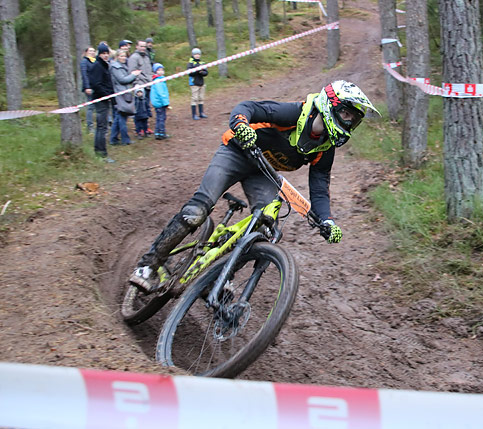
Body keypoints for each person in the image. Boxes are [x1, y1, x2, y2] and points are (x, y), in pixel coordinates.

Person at [130, 80, 379, 290]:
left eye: (353, 119)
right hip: (236, 153)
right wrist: (240, 124)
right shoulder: (293, 114)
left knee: (265, 227)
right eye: (346, 113)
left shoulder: (325, 148)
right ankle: (148, 265)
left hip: (263, 171)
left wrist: (326, 220)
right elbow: (247, 107)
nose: (348, 122)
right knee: (196, 213)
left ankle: (219, 275)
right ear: (330, 105)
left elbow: (320, 185)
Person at [88, 43, 115, 162]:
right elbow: (96, 84)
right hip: (100, 99)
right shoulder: (98, 66)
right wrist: (106, 95)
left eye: (107, 53)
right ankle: (101, 153)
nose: (105, 56)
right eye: (103, 53)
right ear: (99, 54)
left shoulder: (104, 65)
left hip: (104, 98)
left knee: (102, 127)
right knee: (102, 127)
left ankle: (100, 151)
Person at [109, 49, 138, 145]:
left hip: (125, 93)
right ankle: (125, 139)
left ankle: (113, 139)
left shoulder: (123, 66)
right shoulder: (115, 67)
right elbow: (122, 80)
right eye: (121, 56)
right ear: (117, 57)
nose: (123, 58)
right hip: (119, 94)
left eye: (125, 56)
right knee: (121, 116)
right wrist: (133, 75)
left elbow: (127, 80)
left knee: (119, 117)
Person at [128, 40, 153, 134]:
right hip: (139, 85)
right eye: (141, 46)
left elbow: (149, 70)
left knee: (146, 107)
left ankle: (146, 127)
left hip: (148, 85)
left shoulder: (146, 57)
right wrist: (138, 84)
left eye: (144, 46)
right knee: (139, 108)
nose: (143, 48)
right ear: (137, 47)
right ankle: (139, 129)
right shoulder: (133, 58)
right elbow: (133, 72)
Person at [149, 63, 170, 140]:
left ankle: (157, 132)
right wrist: (166, 103)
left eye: (162, 70)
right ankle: (161, 133)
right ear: (155, 71)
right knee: (161, 118)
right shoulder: (158, 81)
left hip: (158, 102)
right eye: (159, 70)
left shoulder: (160, 80)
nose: (161, 71)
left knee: (159, 118)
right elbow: (161, 93)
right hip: (160, 103)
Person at [188, 47, 208, 120]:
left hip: (201, 83)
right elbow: (190, 73)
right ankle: (194, 114)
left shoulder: (202, 63)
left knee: (201, 98)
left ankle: (201, 113)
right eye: (195, 54)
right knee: (194, 98)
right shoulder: (190, 64)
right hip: (194, 83)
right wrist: (197, 71)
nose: (197, 55)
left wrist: (202, 72)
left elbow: (206, 72)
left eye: (198, 54)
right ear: (193, 55)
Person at [80, 46, 96, 133]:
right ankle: (90, 126)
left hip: (97, 87)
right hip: (90, 87)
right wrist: (87, 87)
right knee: (91, 107)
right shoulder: (84, 62)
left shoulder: (95, 61)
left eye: (93, 51)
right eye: (90, 51)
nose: (92, 53)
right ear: (86, 52)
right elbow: (84, 75)